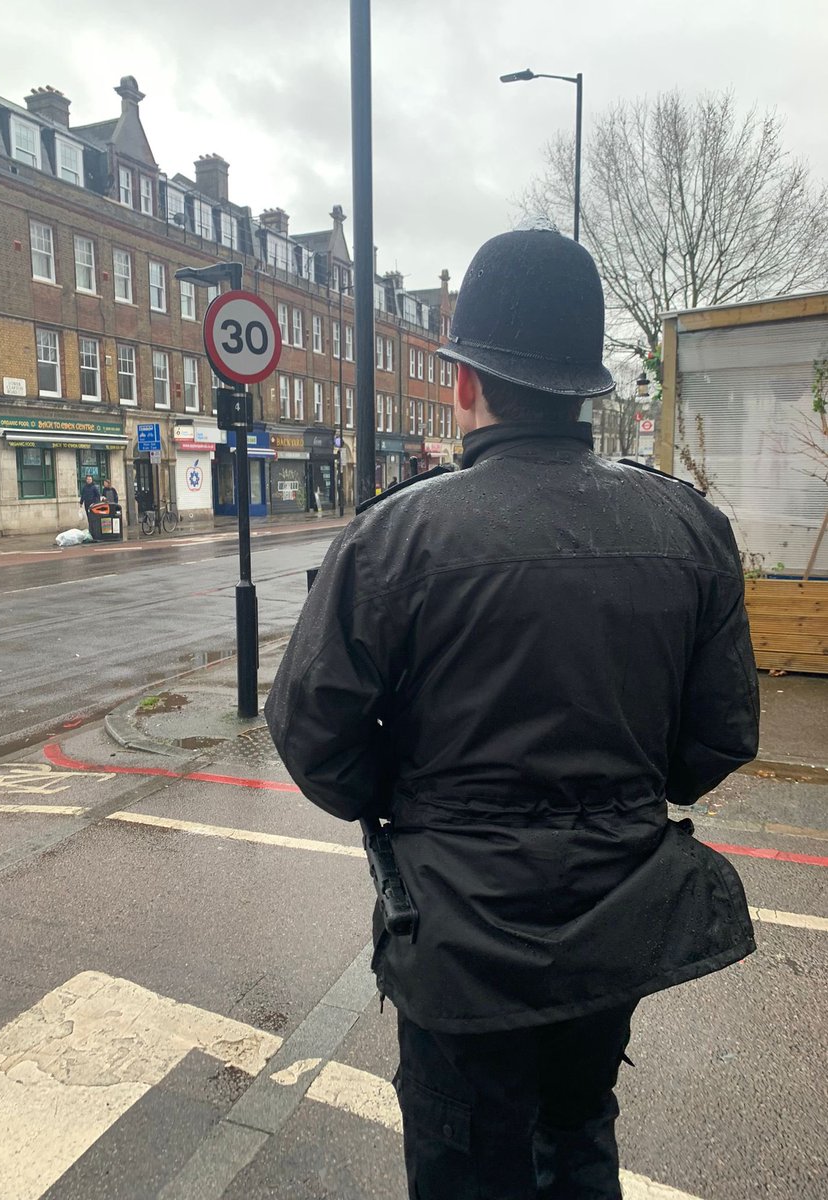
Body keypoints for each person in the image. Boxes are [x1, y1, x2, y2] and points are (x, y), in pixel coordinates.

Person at [265, 229, 759, 1200]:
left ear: (463, 384)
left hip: (457, 945)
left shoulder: (393, 538)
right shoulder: (687, 529)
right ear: (586, 390)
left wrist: (412, 801)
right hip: (613, 929)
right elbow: (718, 736)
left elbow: (315, 740)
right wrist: (621, 791)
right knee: (578, 1142)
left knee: (465, 1170)